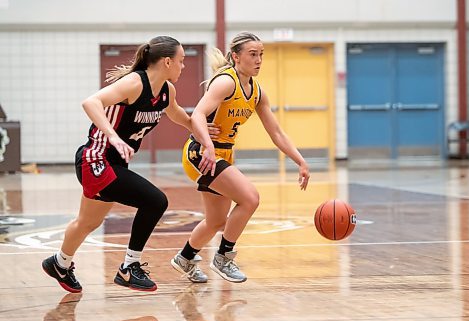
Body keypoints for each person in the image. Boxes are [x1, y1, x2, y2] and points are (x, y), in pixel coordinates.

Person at [42, 36, 219, 293]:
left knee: (87, 222)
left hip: (115, 163)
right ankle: (128, 268)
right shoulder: (134, 83)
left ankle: (59, 263)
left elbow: (181, 117)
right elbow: (90, 102)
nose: (183, 67)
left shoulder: (167, 91)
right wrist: (113, 136)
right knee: (155, 201)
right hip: (96, 159)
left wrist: (202, 132)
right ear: (167, 61)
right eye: (181, 61)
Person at [171, 32, 310, 283]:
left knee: (215, 221)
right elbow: (199, 114)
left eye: (261, 55)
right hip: (201, 154)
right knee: (250, 198)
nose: (258, 60)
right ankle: (223, 258)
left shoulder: (256, 91)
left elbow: (276, 131)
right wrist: (208, 146)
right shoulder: (226, 82)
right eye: (252, 54)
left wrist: (300, 160)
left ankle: (185, 258)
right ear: (236, 56)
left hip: (222, 154)